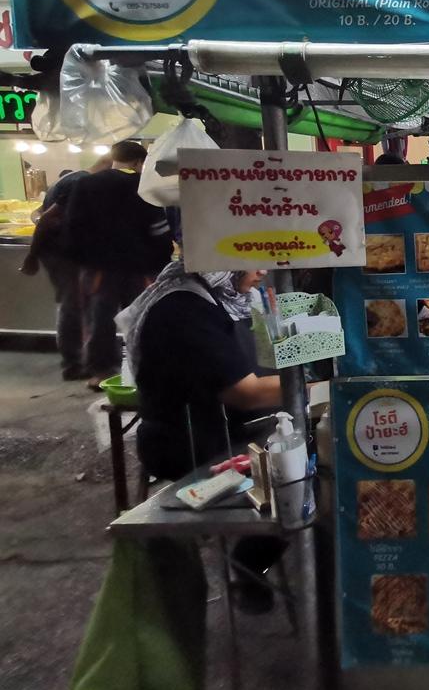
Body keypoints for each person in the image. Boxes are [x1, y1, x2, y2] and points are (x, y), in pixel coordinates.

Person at [120, 261, 281, 480]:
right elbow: (246, 394)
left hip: (234, 431)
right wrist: (317, 388)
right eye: (252, 261)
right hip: (193, 447)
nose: (263, 271)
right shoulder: (183, 306)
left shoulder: (232, 297)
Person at [62, 141, 173, 387]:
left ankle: (100, 372)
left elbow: (72, 226)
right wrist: (163, 258)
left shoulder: (86, 184)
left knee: (98, 317)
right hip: (140, 266)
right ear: (138, 162)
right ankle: (144, 367)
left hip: (98, 267)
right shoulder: (141, 185)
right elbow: (157, 227)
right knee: (140, 317)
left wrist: (81, 261)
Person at [19, 155, 112, 378]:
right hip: (62, 255)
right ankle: (73, 364)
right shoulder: (79, 183)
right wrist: (31, 256)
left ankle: (81, 359)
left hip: (63, 254)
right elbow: (46, 218)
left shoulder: (72, 179)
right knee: (73, 305)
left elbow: (38, 213)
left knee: (77, 304)